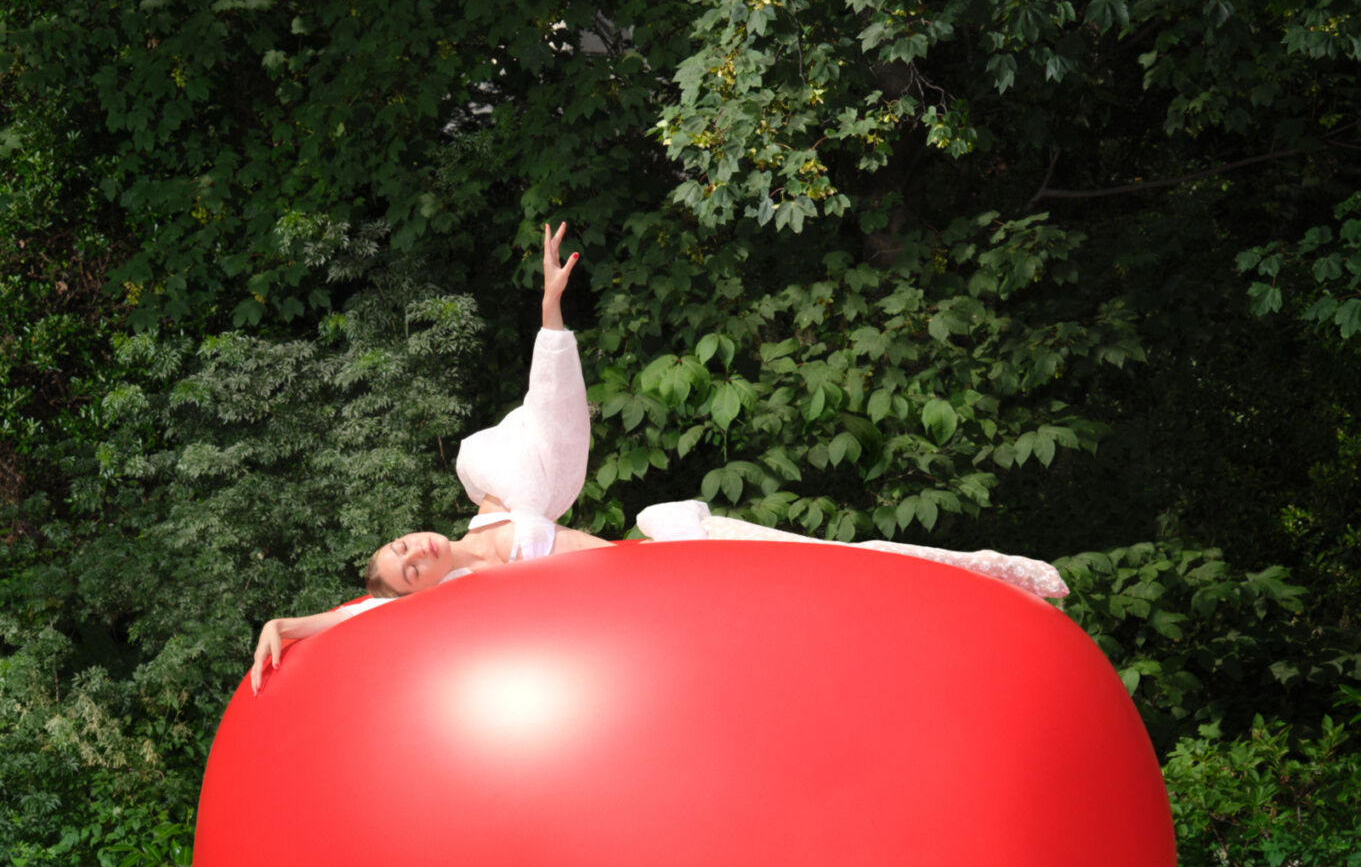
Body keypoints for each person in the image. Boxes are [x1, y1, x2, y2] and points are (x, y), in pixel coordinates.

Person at [251, 221, 1067, 695]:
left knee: (834, 565)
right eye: (406, 570)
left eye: (401, 544)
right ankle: (963, 635)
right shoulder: (465, 593)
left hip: (674, 558)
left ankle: (988, 578)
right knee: (823, 625)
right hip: (663, 617)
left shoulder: (495, 506)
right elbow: (364, 617)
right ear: (417, 591)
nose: (414, 552)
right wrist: (290, 625)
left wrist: (550, 314)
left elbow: (552, 417)